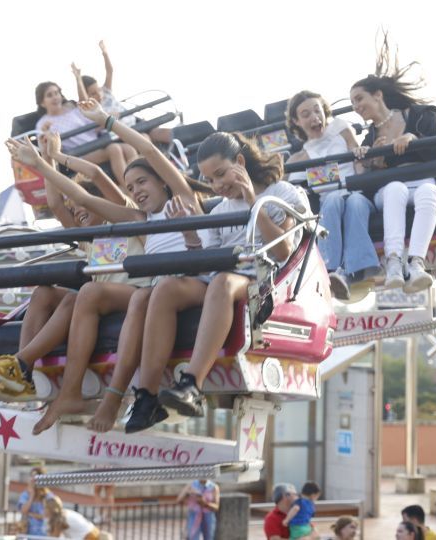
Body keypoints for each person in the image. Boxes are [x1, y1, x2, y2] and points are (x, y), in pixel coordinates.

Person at [6, 99, 209, 434]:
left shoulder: (182, 199)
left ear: (162, 181)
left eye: (141, 183)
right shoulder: (139, 220)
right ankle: (30, 373)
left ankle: (106, 395)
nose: (136, 192)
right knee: (74, 292)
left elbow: (144, 150)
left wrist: (106, 121)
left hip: (171, 290)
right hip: (150, 295)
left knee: (100, 292)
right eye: (130, 188)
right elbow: (81, 199)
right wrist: (42, 166)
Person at [126, 131, 307, 432]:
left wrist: (253, 201)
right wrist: (190, 237)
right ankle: (146, 397)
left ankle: (191, 386)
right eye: (210, 181)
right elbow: (208, 258)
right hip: (220, 275)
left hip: (261, 278)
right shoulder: (220, 209)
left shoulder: (282, 192)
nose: (217, 186)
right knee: (167, 288)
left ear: (239, 162)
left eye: (221, 175)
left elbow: (282, 250)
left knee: (223, 282)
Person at [0, 134, 141, 400]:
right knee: (44, 293)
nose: (77, 210)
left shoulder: (127, 218)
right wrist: (44, 161)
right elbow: (55, 204)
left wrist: (55, 156)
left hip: (132, 295)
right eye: (74, 209)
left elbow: (96, 175)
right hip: (100, 301)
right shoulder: (89, 240)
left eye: (82, 203)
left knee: (74, 301)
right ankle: (23, 376)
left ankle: (19, 362)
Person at [350, 38, 436, 293]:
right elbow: (364, 177)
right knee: (395, 189)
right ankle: (393, 261)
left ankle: (416, 262)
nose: (357, 107)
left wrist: (412, 138)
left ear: (378, 95)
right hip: (390, 189)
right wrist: (371, 161)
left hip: (421, 180)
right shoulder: (369, 139)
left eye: (360, 99)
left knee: (430, 192)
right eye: (353, 105)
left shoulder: (418, 116)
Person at [286, 90, 379, 300]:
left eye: (317, 111)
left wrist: (362, 157)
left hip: (356, 193)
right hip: (330, 203)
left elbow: (358, 159)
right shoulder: (301, 156)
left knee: (354, 201)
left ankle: (336, 270)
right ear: (297, 121)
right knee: (333, 199)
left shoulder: (341, 129)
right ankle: (340, 271)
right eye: (306, 114)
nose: (314, 118)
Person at [34, 81, 137, 187]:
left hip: (97, 144)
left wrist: (107, 117)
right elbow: (47, 148)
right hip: (78, 154)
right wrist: (46, 133)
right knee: (114, 149)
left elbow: (94, 124)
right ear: (42, 102)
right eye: (50, 95)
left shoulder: (73, 110)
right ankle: (129, 188)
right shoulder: (42, 124)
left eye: (56, 93)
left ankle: (138, 180)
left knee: (129, 148)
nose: (55, 97)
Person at [72, 40, 171, 144]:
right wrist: (78, 79)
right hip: (121, 132)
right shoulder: (92, 108)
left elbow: (109, 72)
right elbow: (83, 99)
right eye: (93, 93)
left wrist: (105, 53)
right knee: (144, 138)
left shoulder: (106, 92)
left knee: (160, 132)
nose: (98, 94)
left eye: (98, 90)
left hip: (133, 122)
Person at [18, 466, 49, 537]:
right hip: (28, 534)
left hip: (44, 535)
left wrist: (32, 514)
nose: (32, 480)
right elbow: (23, 510)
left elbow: (47, 516)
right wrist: (31, 496)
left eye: (35, 477)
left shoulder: (47, 495)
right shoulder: (25, 495)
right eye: (32, 476)